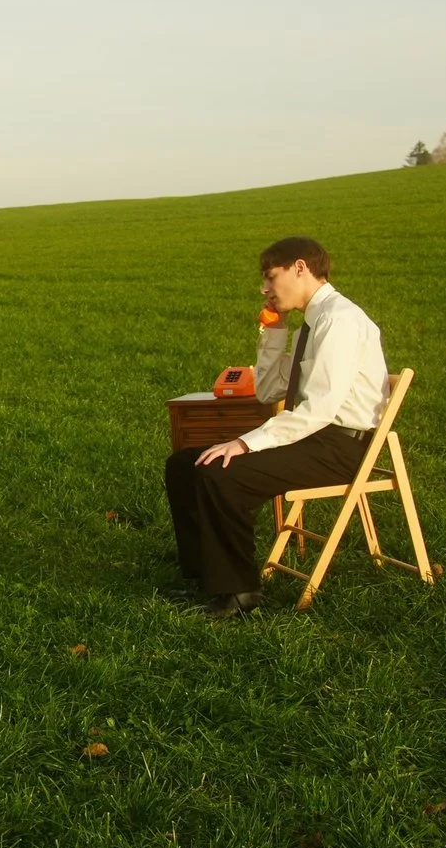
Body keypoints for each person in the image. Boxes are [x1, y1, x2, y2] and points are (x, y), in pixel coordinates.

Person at [163, 236, 388, 617]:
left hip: (340, 447)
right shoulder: (310, 326)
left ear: (300, 268)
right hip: (314, 437)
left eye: (270, 276)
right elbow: (268, 390)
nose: (264, 288)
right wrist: (275, 331)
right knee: (184, 465)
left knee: (221, 473)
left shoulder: (340, 320)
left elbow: (318, 409)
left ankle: (239, 593)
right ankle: (206, 578)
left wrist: (245, 444)